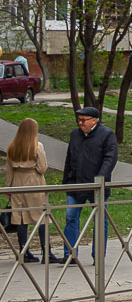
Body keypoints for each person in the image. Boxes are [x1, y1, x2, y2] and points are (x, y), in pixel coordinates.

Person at [60, 106, 118, 265]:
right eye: (78, 120)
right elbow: (69, 157)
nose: (80, 123)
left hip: (97, 187)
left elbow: (110, 159)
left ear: (94, 120)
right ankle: (70, 254)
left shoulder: (106, 135)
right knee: (71, 217)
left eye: (83, 120)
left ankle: (98, 255)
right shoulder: (75, 134)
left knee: (100, 221)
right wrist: (66, 180)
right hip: (75, 184)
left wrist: (100, 179)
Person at [5, 118, 61, 264]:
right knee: (41, 217)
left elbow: (9, 170)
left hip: (17, 183)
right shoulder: (37, 146)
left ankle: (24, 251)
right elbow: (42, 167)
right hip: (34, 181)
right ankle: (46, 251)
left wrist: (8, 187)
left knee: (20, 217)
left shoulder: (12, 147)